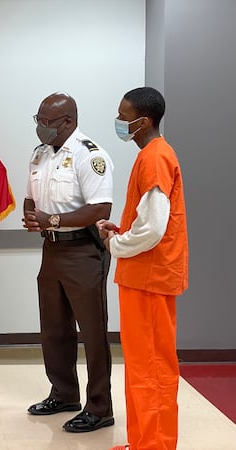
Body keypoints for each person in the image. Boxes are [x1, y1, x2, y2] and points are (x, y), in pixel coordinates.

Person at [98, 87, 188, 450]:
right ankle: (143, 441)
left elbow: (153, 228)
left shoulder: (155, 157)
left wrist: (116, 245)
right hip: (145, 276)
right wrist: (120, 231)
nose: (120, 123)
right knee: (142, 366)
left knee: (151, 367)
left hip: (150, 278)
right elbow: (147, 221)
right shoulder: (153, 154)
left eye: (124, 117)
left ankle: (154, 445)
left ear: (144, 121)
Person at [22, 92, 115, 433]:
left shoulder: (90, 156)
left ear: (68, 122)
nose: (40, 128)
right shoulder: (39, 154)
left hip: (82, 252)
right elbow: (31, 197)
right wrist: (32, 217)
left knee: (92, 332)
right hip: (51, 251)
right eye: (38, 120)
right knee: (54, 328)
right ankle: (63, 393)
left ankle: (100, 407)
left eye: (46, 122)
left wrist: (54, 221)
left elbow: (100, 209)